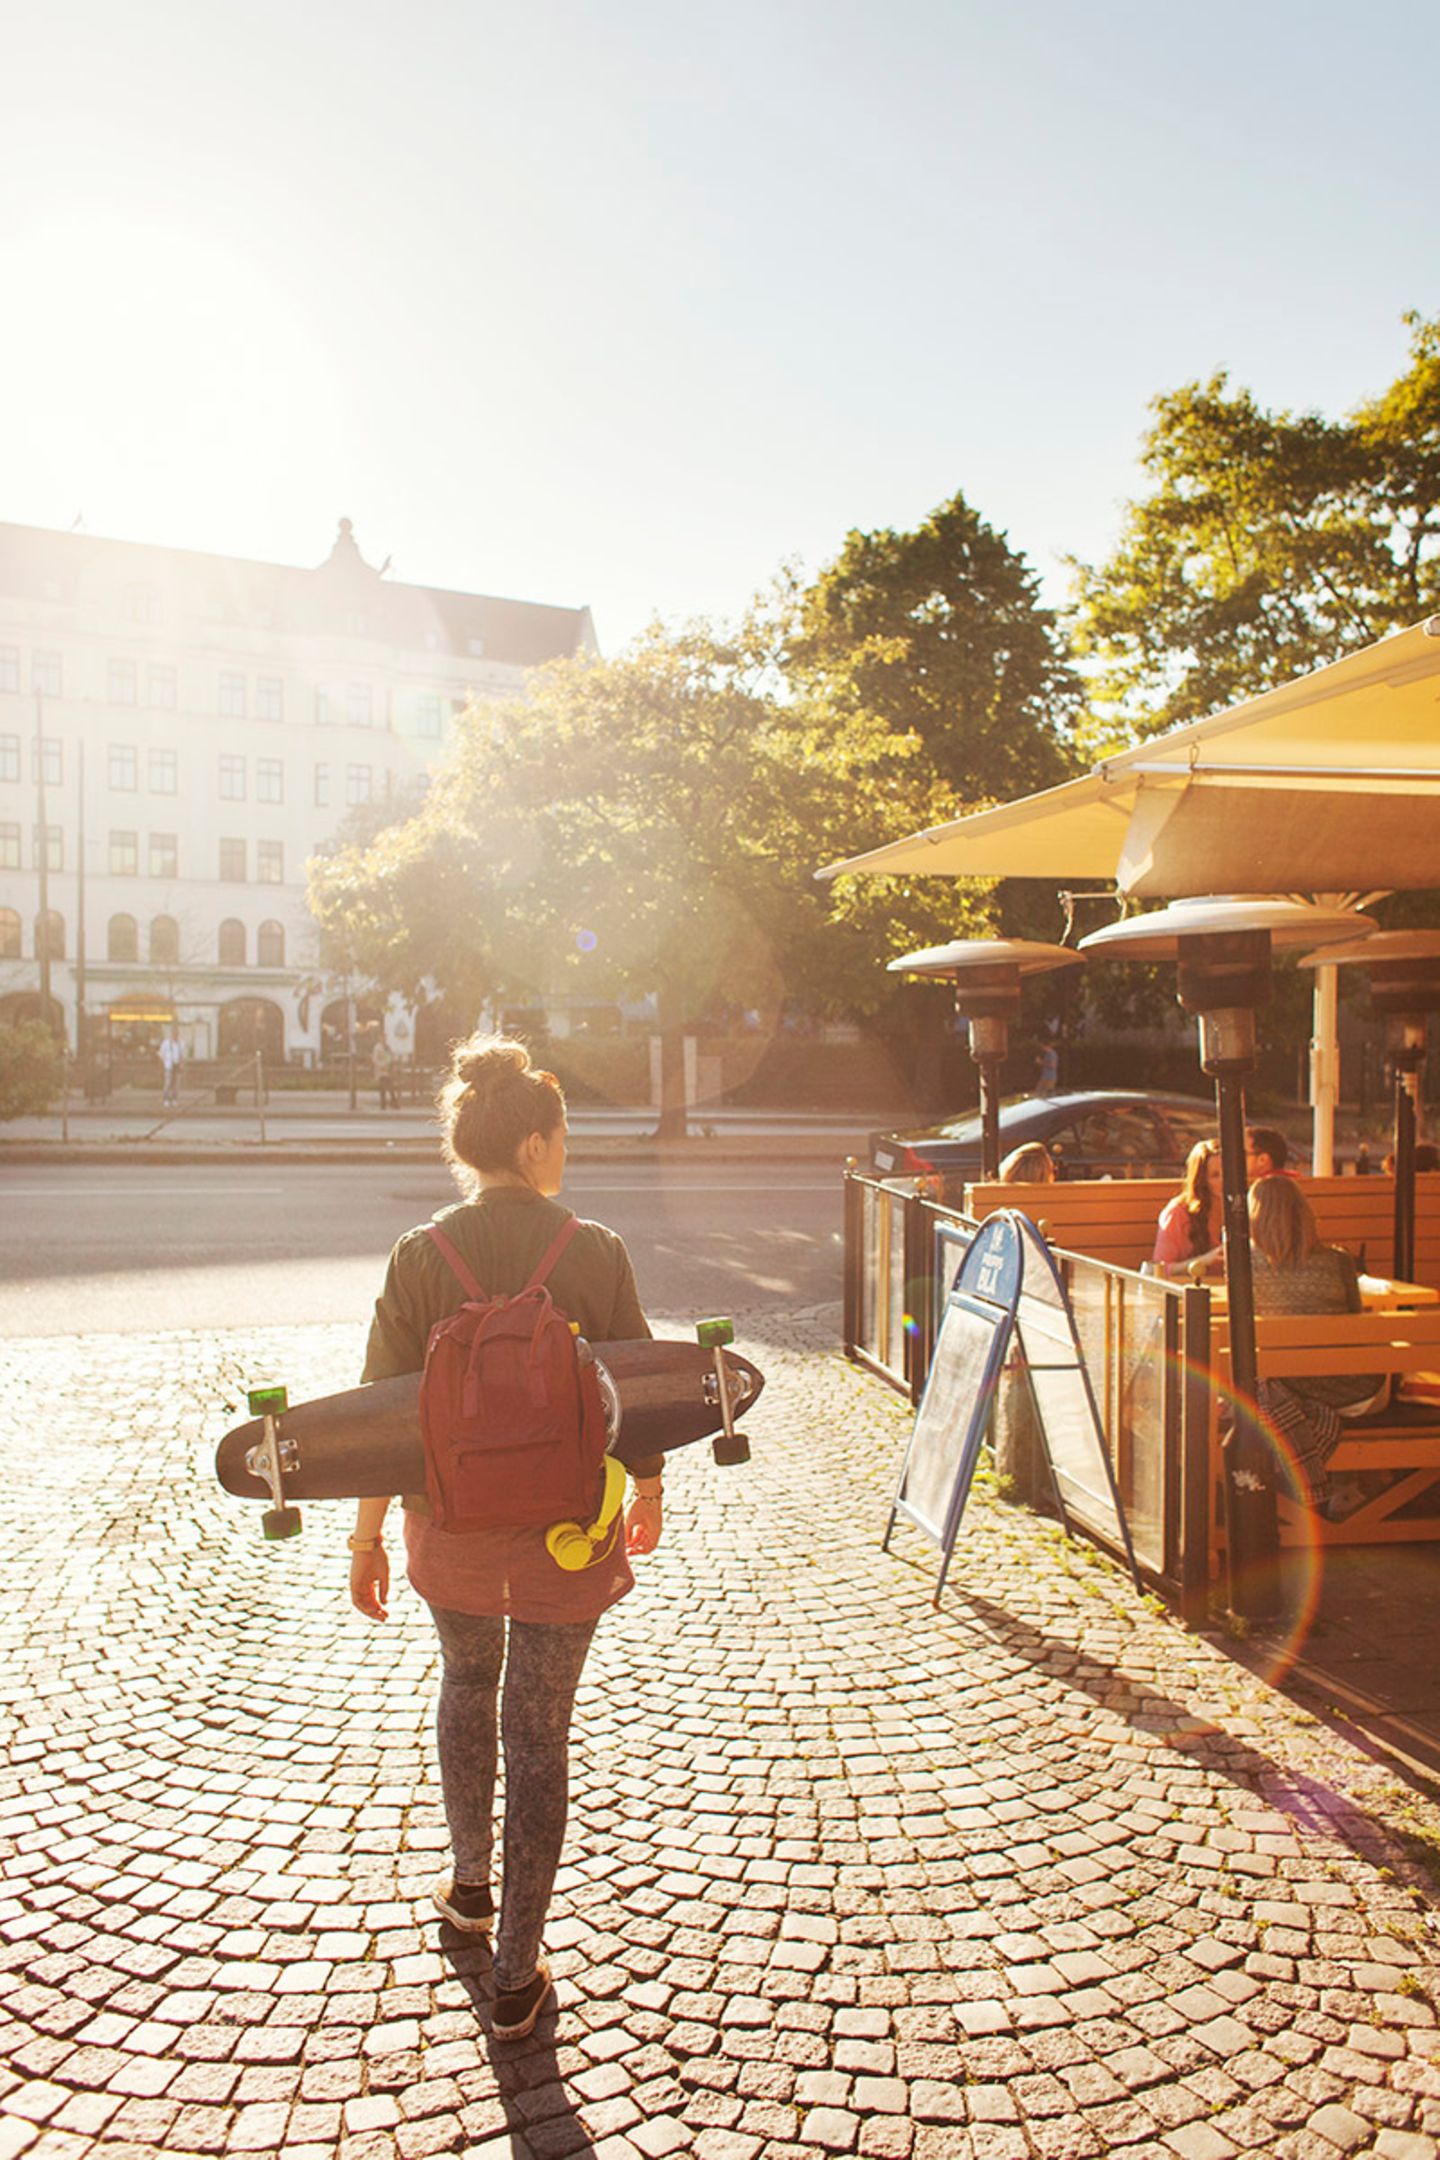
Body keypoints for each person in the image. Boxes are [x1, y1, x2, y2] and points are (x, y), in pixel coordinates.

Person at [348, 1036, 663, 2040]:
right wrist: (650, 1487)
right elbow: (638, 1393)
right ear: (532, 1145)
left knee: (465, 1683)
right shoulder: (595, 1250)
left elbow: (380, 1414)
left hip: (449, 1527)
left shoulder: (419, 1253)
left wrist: (366, 1540)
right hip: (570, 1531)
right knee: (539, 1731)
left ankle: (470, 1884)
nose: (567, 1151)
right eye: (561, 1137)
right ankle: (518, 1973)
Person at [1248, 1175, 1386, 1511]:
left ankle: (1282, 1497)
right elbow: (1354, 1319)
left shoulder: (1246, 1267)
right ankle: (1346, 1492)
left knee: (1263, 1388)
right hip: (1357, 1392)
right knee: (1293, 1401)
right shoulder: (1339, 1261)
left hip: (1291, 1385)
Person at [1152, 1139, 1224, 1276]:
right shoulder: (1177, 1213)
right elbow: (1161, 1269)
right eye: (1215, 1175)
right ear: (1202, 1180)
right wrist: (1204, 1260)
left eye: (1228, 1173)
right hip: (1193, 1287)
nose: (1224, 1180)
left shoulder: (1246, 1205)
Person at [372, 1036, 399, 1110]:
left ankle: (393, 1102)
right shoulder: (377, 1048)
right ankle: (383, 1104)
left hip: (387, 1070)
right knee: (382, 1087)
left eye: (385, 1039)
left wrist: (388, 1063)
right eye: (382, 1038)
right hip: (380, 1070)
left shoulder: (387, 1047)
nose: (384, 1040)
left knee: (390, 1087)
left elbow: (390, 1056)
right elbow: (375, 1059)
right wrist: (381, 1065)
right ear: (380, 1039)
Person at [159, 1029, 183, 1107]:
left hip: (177, 1065)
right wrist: (163, 1065)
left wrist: (181, 1064)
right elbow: (161, 1055)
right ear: (171, 1035)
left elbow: (181, 1055)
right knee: (168, 1083)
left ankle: (174, 1099)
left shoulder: (181, 1043)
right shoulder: (166, 1043)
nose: (175, 1036)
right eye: (174, 1034)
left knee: (176, 1084)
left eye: (177, 1034)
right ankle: (165, 1099)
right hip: (168, 1066)